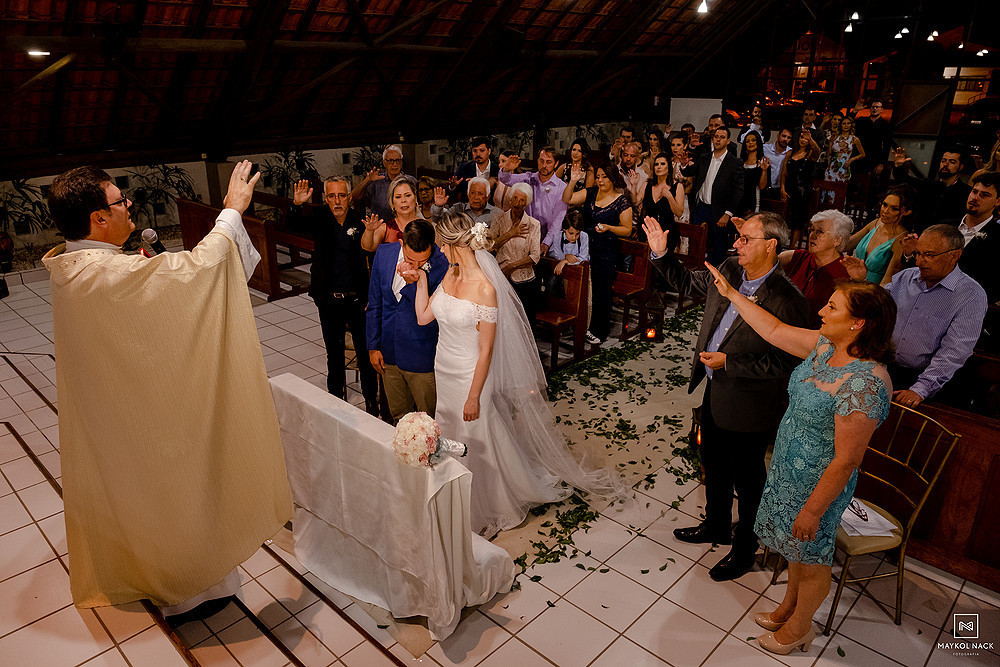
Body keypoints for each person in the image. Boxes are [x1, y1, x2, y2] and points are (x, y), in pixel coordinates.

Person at [42, 161, 292, 617]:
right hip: (149, 420)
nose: (129, 204)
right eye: (120, 200)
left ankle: (151, 569)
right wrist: (232, 211)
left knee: (138, 497)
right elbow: (196, 271)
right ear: (98, 218)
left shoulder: (73, 266)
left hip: (117, 411)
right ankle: (189, 586)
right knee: (174, 490)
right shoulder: (105, 275)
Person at [702, 267, 894, 656]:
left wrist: (813, 510)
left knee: (811, 558)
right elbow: (772, 330)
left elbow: (846, 460)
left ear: (857, 323)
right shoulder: (826, 347)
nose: (821, 310)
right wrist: (733, 294)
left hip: (818, 484)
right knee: (793, 551)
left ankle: (801, 628)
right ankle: (788, 608)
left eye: (832, 306)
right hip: (788, 470)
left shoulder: (865, 382)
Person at [408, 211, 625, 536]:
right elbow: (425, 317)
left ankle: (485, 505)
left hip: (470, 375)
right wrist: (421, 280)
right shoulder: (449, 276)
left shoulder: (485, 289)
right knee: (453, 434)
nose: (438, 250)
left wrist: (473, 396)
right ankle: (455, 494)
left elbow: (486, 350)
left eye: (441, 243)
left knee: (476, 437)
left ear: (454, 244)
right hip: (445, 369)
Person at [643, 212, 810, 582]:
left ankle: (745, 549)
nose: (736, 244)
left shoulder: (787, 299)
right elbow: (688, 282)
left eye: (746, 239)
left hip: (749, 403)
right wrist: (661, 254)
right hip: (715, 391)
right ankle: (717, 525)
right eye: (738, 238)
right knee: (712, 460)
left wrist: (729, 362)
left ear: (771, 245)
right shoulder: (731, 269)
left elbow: (786, 360)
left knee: (748, 480)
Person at [287, 177, 378, 413]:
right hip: (328, 299)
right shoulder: (319, 217)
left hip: (358, 299)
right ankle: (337, 403)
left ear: (349, 197)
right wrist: (296, 205)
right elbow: (291, 225)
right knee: (334, 353)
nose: (337, 201)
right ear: (325, 198)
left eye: (341, 195)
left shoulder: (361, 221)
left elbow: (371, 253)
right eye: (331, 196)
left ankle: (371, 401)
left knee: (365, 353)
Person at [885, 224, 988, 408]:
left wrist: (921, 388)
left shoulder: (971, 294)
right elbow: (875, 308)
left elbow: (955, 351)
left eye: (929, 255)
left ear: (954, 255)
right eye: (918, 253)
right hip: (887, 369)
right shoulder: (905, 277)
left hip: (930, 383)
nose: (919, 262)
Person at [366, 218, 449, 422]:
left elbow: (432, 314)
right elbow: (375, 303)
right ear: (402, 244)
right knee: (399, 417)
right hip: (388, 351)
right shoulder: (384, 254)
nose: (417, 265)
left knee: (429, 421)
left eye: (422, 261)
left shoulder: (442, 263)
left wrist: (417, 281)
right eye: (411, 259)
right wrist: (373, 346)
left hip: (421, 355)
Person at [563, 164, 633, 344]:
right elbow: (568, 198)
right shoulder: (590, 193)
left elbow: (627, 229)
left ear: (612, 179)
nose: (600, 181)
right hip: (584, 248)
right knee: (581, 288)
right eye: (598, 177)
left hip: (606, 251)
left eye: (604, 177)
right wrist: (572, 181)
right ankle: (579, 324)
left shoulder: (621, 201)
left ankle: (599, 330)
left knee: (601, 292)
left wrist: (609, 227)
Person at [777, 210, 855, 326]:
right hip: (781, 325)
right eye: (812, 230)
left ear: (837, 240)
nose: (812, 235)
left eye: (820, 232)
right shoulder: (796, 257)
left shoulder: (844, 273)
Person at [498, 147, 568, 254]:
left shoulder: (562, 187)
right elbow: (506, 180)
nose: (544, 165)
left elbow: (557, 221)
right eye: (541, 161)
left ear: (556, 164)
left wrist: (545, 244)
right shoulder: (528, 178)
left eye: (548, 162)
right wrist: (507, 169)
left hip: (550, 242)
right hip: (526, 237)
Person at [691, 126, 744, 265]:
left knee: (718, 247)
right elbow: (690, 172)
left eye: (722, 137)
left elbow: (739, 190)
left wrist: (728, 213)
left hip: (720, 211)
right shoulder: (704, 158)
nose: (718, 140)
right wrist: (684, 165)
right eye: (716, 137)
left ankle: (715, 278)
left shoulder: (734, 162)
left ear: (728, 141)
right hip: (701, 207)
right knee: (697, 244)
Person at [842, 185, 917, 285]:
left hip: (873, 290)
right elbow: (846, 245)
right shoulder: (875, 223)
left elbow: (888, 281)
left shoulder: (901, 240)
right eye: (884, 205)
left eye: (894, 209)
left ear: (907, 212)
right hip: (854, 282)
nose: (885, 211)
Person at [945, 171, 1000, 304]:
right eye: (974, 192)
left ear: (998, 201)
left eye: (984, 195)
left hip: (968, 306)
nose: (975, 198)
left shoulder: (998, 237)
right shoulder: (945, 224)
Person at [491, 183, 542, 321]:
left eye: (522, 200)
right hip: (501, 277)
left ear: (526, 203)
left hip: (524, 281)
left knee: (525, 321)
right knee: (504, 320)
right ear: (510, 199)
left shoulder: (533, 224)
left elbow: (535, 257)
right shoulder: (499, 219)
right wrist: (510, 233)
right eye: (515, 198)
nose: (517, 203)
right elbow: (490, 246)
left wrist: (511, 267)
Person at [891, 146, 971, 231]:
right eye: (943, 161)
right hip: (919, 233)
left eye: (952, 162)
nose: (945, 164)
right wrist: (898, 166)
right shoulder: (928, 185)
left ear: (961, 167)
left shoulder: (966, 191)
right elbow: (904, 180)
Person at [780, 131, 821, 248]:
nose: (803, 140)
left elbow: (818, 150)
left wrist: (811, 140)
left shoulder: (811, 153)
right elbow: (784, 173)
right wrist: (782, 188)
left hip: (803, 192)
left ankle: (791, 247)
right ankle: (783, 244)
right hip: (789, 190)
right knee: (786, 218)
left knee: (797, 222)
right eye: (802, 137)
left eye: (806, 139)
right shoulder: (790, 153)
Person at [361, 175, 420, 251]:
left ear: (415, 199)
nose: (403, 200)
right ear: (392, 203)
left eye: (408, 195)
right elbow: (368, 247)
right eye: (398, 197)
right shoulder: (385, 228)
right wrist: (369, 231)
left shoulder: (426, 226)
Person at [640, 152, 685, 250]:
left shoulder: (677, 186)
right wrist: (634, 183)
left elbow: (679, 213)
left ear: (669, 167)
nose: (659, 167)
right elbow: (635, 203)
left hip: (666, 233)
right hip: (648, 231)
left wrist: (669, 197)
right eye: (656, 164)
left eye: (662, 164)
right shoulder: (647, 185)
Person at [352, 144, 408, 223]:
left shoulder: (410, 181)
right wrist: (367, 180)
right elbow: (354, 197)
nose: (395, 164)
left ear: (401, 162)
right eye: (391, 161)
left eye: (397, 160)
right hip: (380, 228)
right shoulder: (376, 181)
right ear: (384, 163)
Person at [430, 178, 500, 230]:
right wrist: (438, 206)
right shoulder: (458, 209)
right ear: (468, 194)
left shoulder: (497, 214)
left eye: (480, 194)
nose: (476, 197)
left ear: (488, 197)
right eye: (472, 193)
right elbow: (439, 220)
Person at [450, 136, 499, 201]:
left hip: (491, 208)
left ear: (489, 151)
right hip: (468, 208)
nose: (478, 154)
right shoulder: (464, 168)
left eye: (482, 151)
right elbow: (453, 194)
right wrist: (453, 186)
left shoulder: (497, 170)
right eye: (474, 151)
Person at [853, 99, 892, 175]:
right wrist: (855, 110)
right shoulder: (862, 121)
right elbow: (847, 123)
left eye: (877, 107)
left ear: (881, 110)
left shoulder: (885, 125)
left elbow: (887, 146)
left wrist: (881, 163)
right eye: (873, 107)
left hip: (874, 159)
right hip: (858, 157)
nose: (875, 109)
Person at [738, 130, 770, 217]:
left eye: (753, 140)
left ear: (758, 142)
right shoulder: (740, 162)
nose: (750, 143)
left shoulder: (763, 163)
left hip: (755, 204)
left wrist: (764, 170)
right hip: (739, 203)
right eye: (747, 141)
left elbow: (762, 186)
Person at [824, 116, 864, 184]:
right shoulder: (835, 137)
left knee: (840, 191)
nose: (846, 125)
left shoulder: (854, 139)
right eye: (844, 123)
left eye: (848, 123)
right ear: (841, 125)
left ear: (851, 125)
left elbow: (862, 154)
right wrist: (830, 142)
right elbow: (828, 155)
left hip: (844, 168)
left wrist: (851, 160)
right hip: (831, 168)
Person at [548, 210, 590, 275]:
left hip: (580, 270)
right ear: (564, 230)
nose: (574, 237)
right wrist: (565, 256)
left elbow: (584, 258)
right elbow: (557, 255)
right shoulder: (557, 237)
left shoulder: (584, 236)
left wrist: (566, 261)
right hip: (563, 269)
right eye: (571, 233)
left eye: (577, 234)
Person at [763, 128, 794, 196]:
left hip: (780, 189)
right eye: (783, 136)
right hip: (765, 187)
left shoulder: (791, 152)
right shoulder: (765, 148)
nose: (785, 139)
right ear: (778, 136)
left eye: (788, 137)